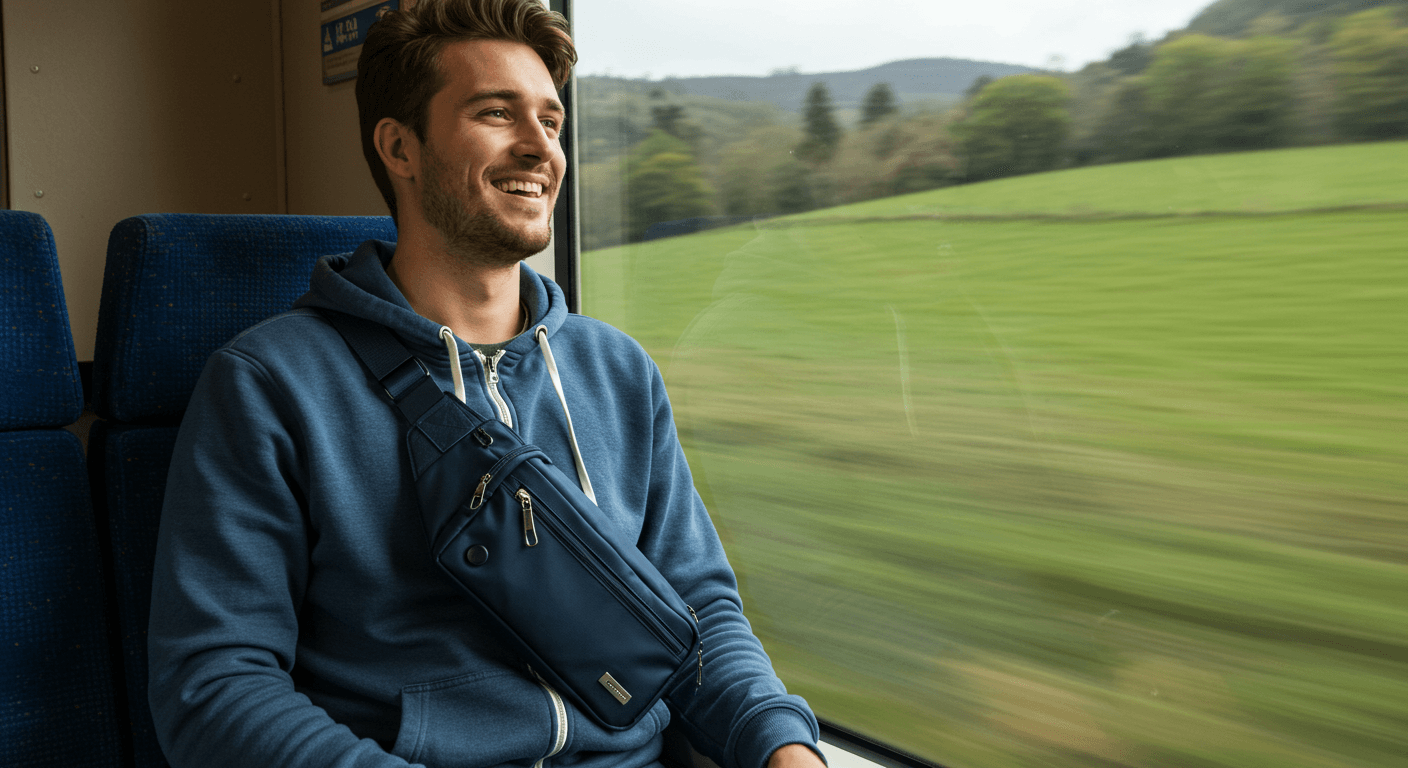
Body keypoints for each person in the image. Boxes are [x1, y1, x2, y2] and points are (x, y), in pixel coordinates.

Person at [147, 1, 828, 767]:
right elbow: (215, 686)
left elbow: (696, 616)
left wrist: (782, 747)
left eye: (551, 120)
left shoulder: (620, 371)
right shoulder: (271, 384)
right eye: (497, 113)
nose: (541, 147)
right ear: (400, 147)